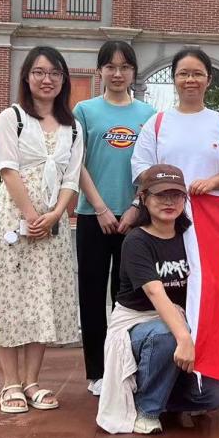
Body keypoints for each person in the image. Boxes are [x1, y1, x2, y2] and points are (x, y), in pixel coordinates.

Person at [0, 46, 82, 414]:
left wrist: (55, 215)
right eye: (39, 72)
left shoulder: (73, 126)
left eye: (54, 73)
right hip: (13, 219)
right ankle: (10, 383)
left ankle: (33, 380)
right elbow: (6, 168)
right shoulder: (12, 117)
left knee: (42, 297)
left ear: (64, 80)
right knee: (10, 295)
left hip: (52, 223)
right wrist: (31, 215)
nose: (47, 79)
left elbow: (71, 177)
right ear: (27, 77)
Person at [97, 164, 219, 434]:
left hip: (181, 323)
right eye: (160, 195)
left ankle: (160, 395)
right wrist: (184, 338)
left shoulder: (191, 237)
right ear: (144, 199)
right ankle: (147, 409)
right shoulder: (137, 241)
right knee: (165, 335)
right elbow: (155, 293)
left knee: (215, 394)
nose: (169, 202)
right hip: (139, 325)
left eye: (176, 195)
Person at [130, 47, 219, 331]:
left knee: (209, 280)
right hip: (165, 218)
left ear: (209, 79)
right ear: (174, 79)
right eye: (183, 74)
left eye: (197, 74)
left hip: (211, 220)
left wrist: (212, 182)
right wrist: (170, 188)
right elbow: (141, 167)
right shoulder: (157, 123)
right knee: (173, 279)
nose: (190, 80)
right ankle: (176, 338)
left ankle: (207, 338)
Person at [74, 39, 156, 397]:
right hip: (93, 216)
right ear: (100, 71)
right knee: (92, 295)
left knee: (128, 299)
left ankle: (126, 367)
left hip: (135, 219)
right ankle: (97, 372)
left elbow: (151, 167)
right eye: (110, 66)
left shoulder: (148, 114)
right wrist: (101, 207)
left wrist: (137, 205)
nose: (118, 73)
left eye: (125, 67)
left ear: (133, 72)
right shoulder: (85, 111)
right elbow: (76, 162)